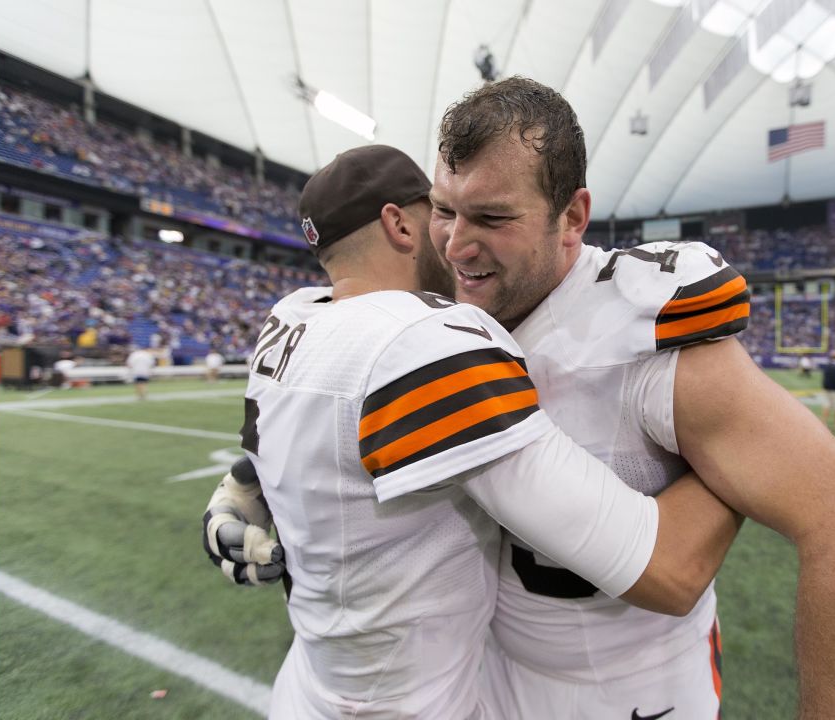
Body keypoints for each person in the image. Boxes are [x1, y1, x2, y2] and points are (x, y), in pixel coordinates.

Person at [427, 77, 835, 719]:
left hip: (629, 695)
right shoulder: (450, 302)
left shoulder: (638, 334)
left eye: (493, 217)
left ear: (573, 218)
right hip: (488, 678)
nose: (455, 244)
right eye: (445, 209)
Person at [204, 145, 740, 719]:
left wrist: (243, 486)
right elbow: (668, 569)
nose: (455, 238)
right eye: (440, 211)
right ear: (399, 223)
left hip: (308, 689)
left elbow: (317, 428)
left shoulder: (291, 316)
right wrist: (733, 453)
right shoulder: (420, 342)